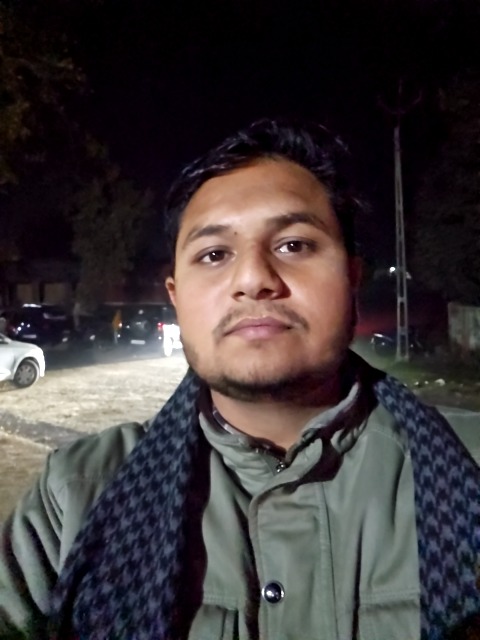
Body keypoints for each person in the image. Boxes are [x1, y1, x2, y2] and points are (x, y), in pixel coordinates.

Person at [0, 118, 479, 640]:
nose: (252, 279)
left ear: (352, 278)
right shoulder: (74, 500)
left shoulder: (465, 476)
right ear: (176, 296)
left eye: (294, 245)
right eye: (214, 254)